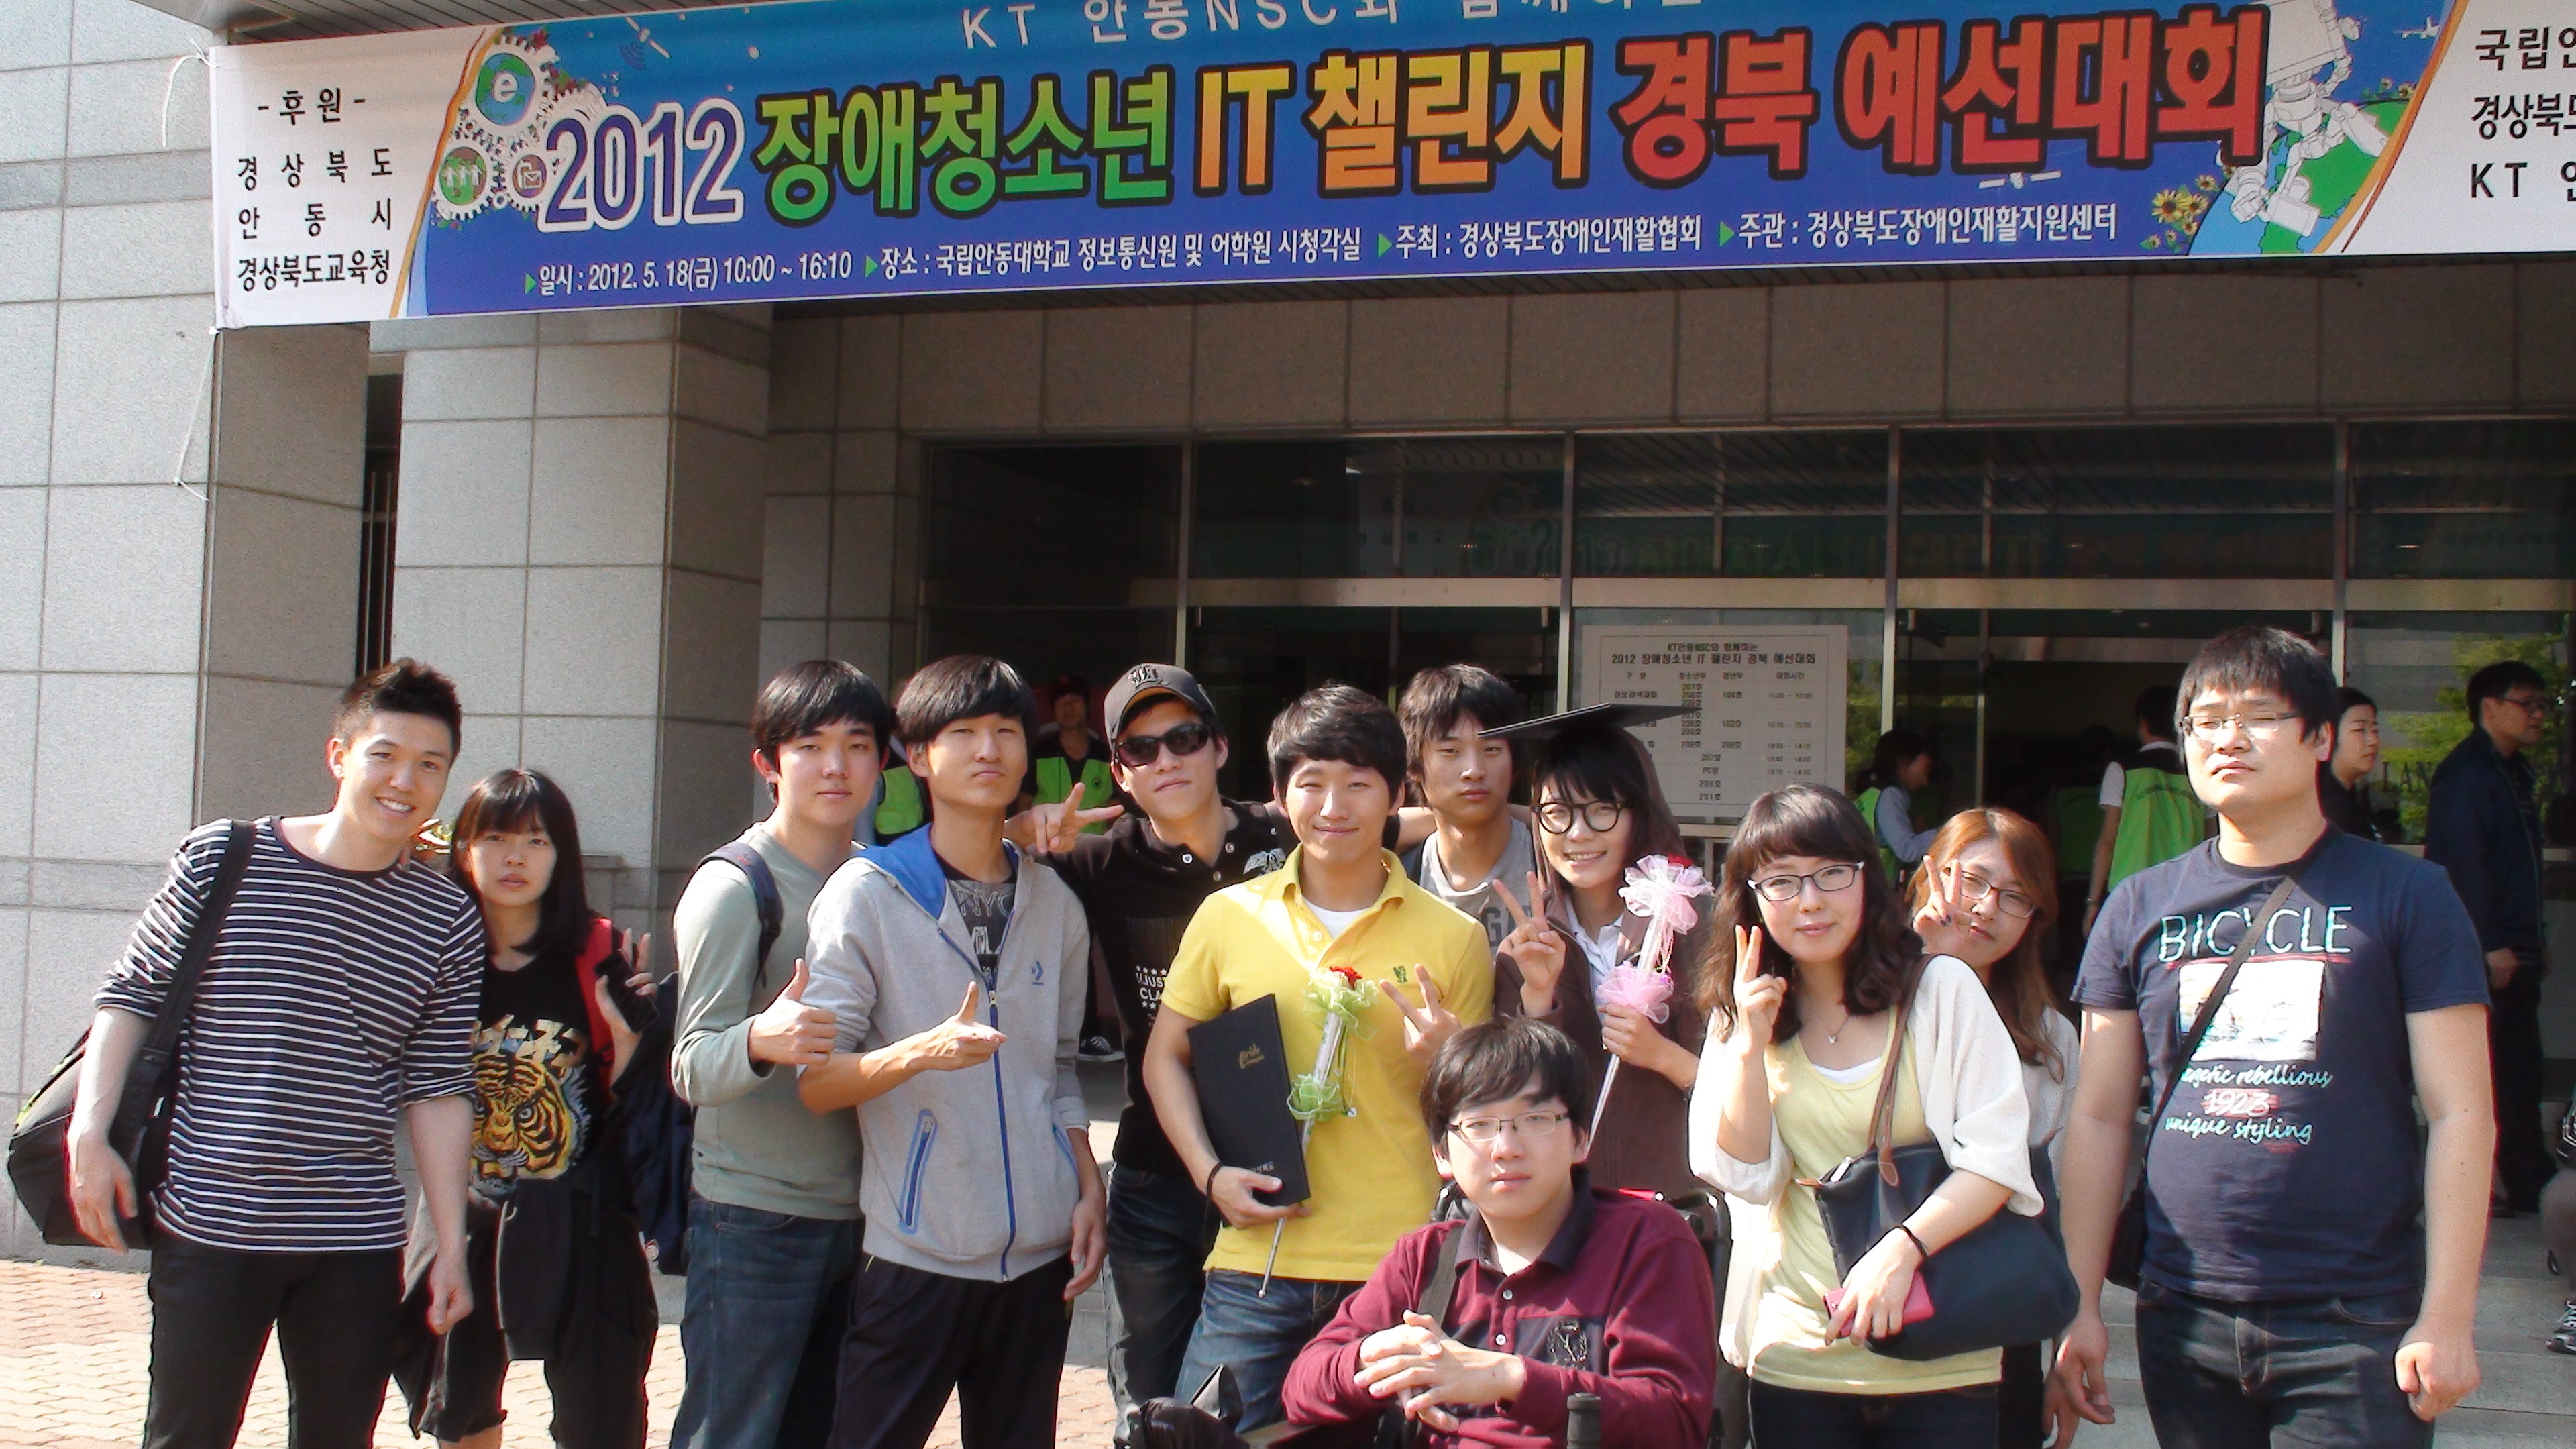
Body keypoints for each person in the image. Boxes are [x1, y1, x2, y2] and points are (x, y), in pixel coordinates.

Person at [2053, 626, 2493, 1448]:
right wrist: (2080, 1305)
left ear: (2321, 738)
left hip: (2354, 1315)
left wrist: (2447, 1315)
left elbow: (2461, 1111)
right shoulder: (2137, 907)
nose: (2227, 737)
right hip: (2181, 1310)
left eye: (2258, 715)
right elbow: (2100, 1116)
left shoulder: (2410, 895)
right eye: (2206, 720)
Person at [68, 661, 484, 1449]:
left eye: (430, 766)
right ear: (339, 755)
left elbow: (437, 1086)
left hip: (355, 1239)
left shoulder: (445, 916)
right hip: (213, 1221)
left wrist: (450, 1245)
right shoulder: (224, 857)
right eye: (386, 756)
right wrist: (89, 1133)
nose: (405, 782)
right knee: (186, 1436)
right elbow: (132, 995)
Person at [1144, 684, 1496, 1432]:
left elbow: (1482, 1115)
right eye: (1312, 783)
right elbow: (1164, 1058)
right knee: (1202, 1440)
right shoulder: (1230, 917)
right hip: (1257, 1260)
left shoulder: (1454, 937)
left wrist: (1451, 1063)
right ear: (1278, 797)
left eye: (1359, 783)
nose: (1334, 806)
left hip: (1400, 1267)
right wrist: (1209, 1174)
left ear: (1397, 796)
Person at [797, 655, 1107, 1449]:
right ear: (918, 756)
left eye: (1006, 731)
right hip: (916, 1254)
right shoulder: (867, 894)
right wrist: (921, 1052)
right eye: (962, 732)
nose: (989, 749)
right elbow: (818, 1081)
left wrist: (1086, 1185)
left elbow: (1059, 1069)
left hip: (1040, 1262)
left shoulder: (1056, 904)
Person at [1691, 783, 2041, 1449]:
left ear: (1866, 879)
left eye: (1831, 873)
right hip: (1800, 1350)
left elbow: (1996, 1162)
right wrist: (1748, 1048)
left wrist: (1901, 1250)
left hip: (1944, 1351)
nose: (1810, 900)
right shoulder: (1743, 1010)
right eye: (1782, 881)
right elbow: (1745, 1175)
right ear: (1751, 899)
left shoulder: (1941, 989)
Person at [1488, 710, 1742, 1449]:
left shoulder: (1702, 927)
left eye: (1602, 809)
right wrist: (1538, 998)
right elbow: (1511, 1100)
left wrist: (1666, 1058)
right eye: (1557, 814)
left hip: (1684, 1221)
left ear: (1639, 811)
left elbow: (1759, 1086)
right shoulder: (1529, 942)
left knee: (1671, 1414)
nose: (1579, 833)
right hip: (1564, 1230)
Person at [1280, 1017, 1717, 1446]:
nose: (1506, 1149)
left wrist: (1508, 1378)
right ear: (1441, 1154)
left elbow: (1673, 1423)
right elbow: (1302, 1389)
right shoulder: (1425, 1257)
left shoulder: (1647, 1242)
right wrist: (1379, 1359)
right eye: (1479, 1126)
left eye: (1535, 1119)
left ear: (1581, 1138)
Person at [395, 769, 656, 1449]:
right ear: (464, 849)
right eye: (497, 839)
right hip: (465, 1209)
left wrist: (631, 1032)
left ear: (561, 856)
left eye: (537, 842)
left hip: (582, 1214)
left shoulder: (598, 954)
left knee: (601, 1417)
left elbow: (631, 1097)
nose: (515, 858)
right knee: (458, 1409)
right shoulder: (437, 956)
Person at [669, 660, 893, 1449]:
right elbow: (691, 1064)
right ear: (768, 763)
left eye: (857, 745)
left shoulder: (879, 880)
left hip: (864, 1217)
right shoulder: (737, 887)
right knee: (731, 1434)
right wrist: (761, 1039)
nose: (836, 766)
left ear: (883, 762)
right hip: (755, 1219)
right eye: (810, 746)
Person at [1905, 809, 2080, 1449]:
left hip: (1996, 1308)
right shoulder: (1861, 999)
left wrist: (2069, 1336)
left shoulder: (2049, 1038)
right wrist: (1933, 964)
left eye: (2014, 897)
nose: (1985, 907)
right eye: (1972, 881)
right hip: (1868, 1291)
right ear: (1928, 878)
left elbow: (2063, 1195)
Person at [2424, 659, 2553, 1218]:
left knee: (2519, 1066)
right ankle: (2509, 1179)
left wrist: (2530, 939)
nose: (2539, 715)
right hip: (2486, 952)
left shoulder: (2512, 773)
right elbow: (2464, 865)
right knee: (2498, 1070)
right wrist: (2491, 941)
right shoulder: (2468, 775)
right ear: (2490, 707)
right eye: (2528, 704)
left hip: (2515, 947)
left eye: (2544, 705)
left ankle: (2525, 1177)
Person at [1400, 664, 1536, 951]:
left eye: (1492, 749)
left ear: (1515, 761)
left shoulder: (1559, 866)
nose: (1473, 771)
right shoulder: (1395, 881)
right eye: (1450, 751)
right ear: (1414, 766)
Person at [2081, 684, 2199, 934]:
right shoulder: (2198, 774)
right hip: (2186, 891)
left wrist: (2093, 902)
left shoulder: (2122, 770)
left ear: (2142, 722)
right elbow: (2211, 838)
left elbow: (2108, 841)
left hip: (2131, 893)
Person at [1856, 731, 1938, 879]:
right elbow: (1908, 850)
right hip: (1871, 889)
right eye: (1925, 753)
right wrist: (1950, 832)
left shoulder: (1873, 794)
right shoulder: (1890, 796)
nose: (1930, 760)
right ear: (1904, 761)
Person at [2318, 686, 2394, 843]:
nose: (2373, 741)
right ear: (2326, 735)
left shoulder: (2352, 798)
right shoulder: (2322, 808)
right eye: (2360, 730)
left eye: (2375, 731)